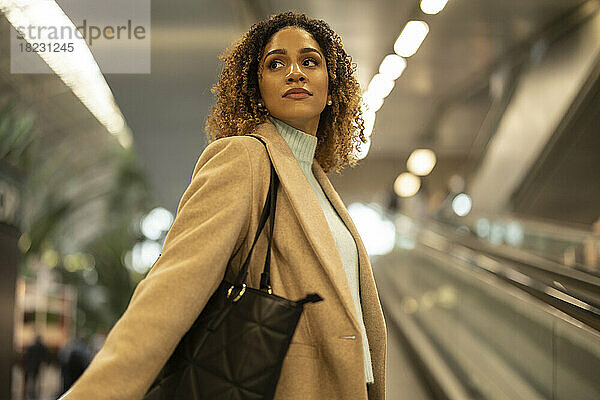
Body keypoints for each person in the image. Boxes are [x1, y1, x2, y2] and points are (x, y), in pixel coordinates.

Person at [59, 11, 386, 400]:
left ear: (333, 87)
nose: (295, 72)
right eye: (276, 63)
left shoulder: (317, 182)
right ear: (257, 87)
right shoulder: (244, 159)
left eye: (310, 61)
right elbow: (171, 290)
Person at [23, 334, 49, 400]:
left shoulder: (31, 347)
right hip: (36, 365)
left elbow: (26, 356)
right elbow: (45, 355)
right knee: (35, 379)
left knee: (28, 378)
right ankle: (33, 392)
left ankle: (26, 391)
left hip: (29, 364)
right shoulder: (41, 347)